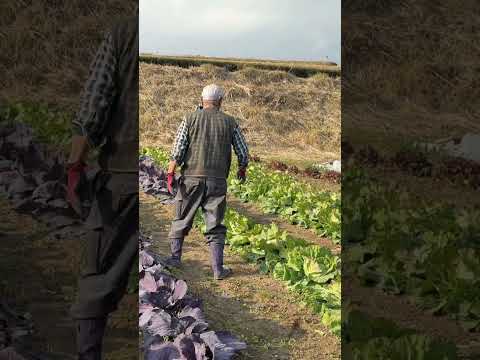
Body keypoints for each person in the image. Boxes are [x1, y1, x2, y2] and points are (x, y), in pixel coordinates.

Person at [66, 15, 138, 360]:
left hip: (123, 178)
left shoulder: (124, 31)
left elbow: (95, 103)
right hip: (167, 188)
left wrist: (76, 163)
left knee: (99, 273)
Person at [166, 84, 249, 280]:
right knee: (215, 223)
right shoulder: (230, 122)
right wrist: (241, 168)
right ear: (220, 101)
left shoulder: (190, 118)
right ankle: (218, 269)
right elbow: (243, 152)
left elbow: (178, 148)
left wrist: (170, 173)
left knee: (181, 217)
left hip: (191, 179)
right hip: (217, 180)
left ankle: (175, 259)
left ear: (202, 100)